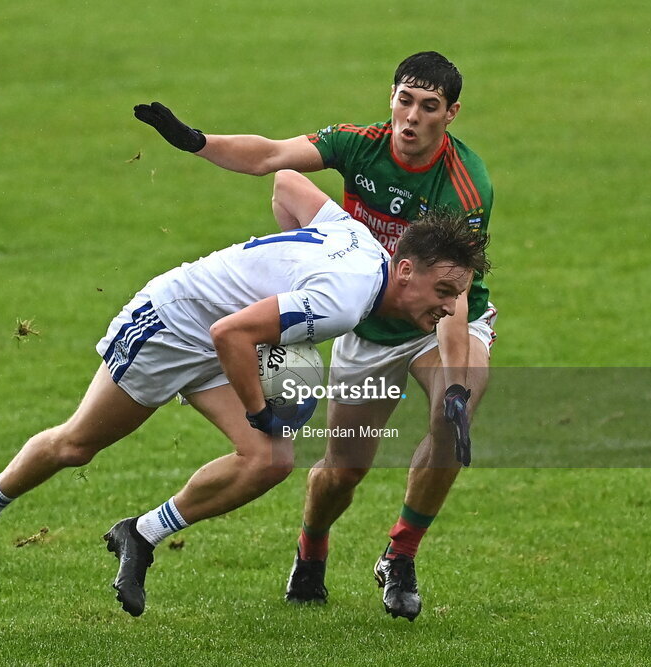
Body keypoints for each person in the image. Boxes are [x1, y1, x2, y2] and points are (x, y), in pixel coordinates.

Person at [0, 169, 489, 618]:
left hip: (225, 341)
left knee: (270, 460)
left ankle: (141, 536)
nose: (446, 308)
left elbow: (289, 183)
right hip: (169, 326)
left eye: (455, 295)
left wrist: (279, 264)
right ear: (406, 269)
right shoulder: (344, 300)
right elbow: (230, 333)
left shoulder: (364, 246)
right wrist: (259, 408)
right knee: (76, 445)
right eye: (441, 291)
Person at [134, 51, 495, 621]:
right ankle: (312, 546)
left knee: (453, 417)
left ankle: (400, 554)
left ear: (451, 114)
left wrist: (456, 386)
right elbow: (274, 160)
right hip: (369, 324)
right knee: (343, 471)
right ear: (392, 98)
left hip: (440, 320)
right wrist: (196, 141)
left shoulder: (465, 188)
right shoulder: (361, 144)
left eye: (429, 107)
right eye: (405, 100)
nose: (412, 117)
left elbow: (451, 298)